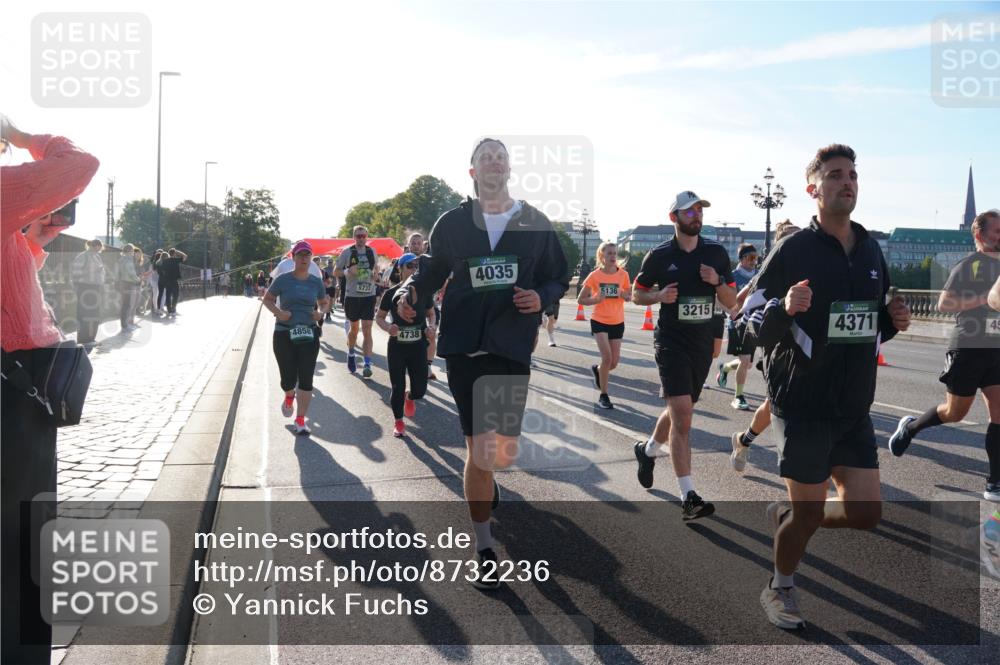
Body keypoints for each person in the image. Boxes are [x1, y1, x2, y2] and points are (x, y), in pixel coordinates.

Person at [746, 144, 910, 629]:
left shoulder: (871, 248)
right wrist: (784, 308)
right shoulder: (793, 249)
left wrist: (893, 319)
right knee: (810, 514)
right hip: (804, 404)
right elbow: (746, 322)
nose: (848, 183)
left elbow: (866, 325)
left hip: (853, 403)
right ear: (813, 189)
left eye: (853, 175)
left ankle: (790, 514)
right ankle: (779, 587)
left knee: (866, 513)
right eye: (836, 175)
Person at [394, 137, 568, 588]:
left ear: (509, 170)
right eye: (485, 157)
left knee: (502, 451)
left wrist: (542, 297)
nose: (494, 162)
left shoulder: (535, 222)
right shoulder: (452, 223)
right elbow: (430, 272)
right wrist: (405, 295)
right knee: (481, 450)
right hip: (466, 345)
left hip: (512, 344)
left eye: (500, 157)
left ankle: (487, 488)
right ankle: (484, 547)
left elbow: (557, 275)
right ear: (472, 172)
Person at [1, 116, 99, 665]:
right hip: (14, 388)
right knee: (23, 529)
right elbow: (79, 166)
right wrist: (21, 135)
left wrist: (31, 244)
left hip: (15, 379)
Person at [631, 190, 736, 520]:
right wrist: (660, 294)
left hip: (702, 341)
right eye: (689, 212)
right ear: (674, 217)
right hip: (672, 341)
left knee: (682, 410)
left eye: (699, 211)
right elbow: (637, 293)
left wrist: (717, 280)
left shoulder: (716, 253)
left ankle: (647, 450)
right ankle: (688, 494)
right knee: (683, 414)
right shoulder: (659, 256)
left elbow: (731, 300)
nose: (696, 216)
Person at [889, 209, 1000, 502]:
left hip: (996, 350)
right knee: (955, 412)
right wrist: (985, 299)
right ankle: (910, 427)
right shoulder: (970, 265)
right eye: (997, 232)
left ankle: (995, 482)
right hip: (968, 346)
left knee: (999, 413)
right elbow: (945, 303)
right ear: (979, 235)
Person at [729, 221, 800, 473]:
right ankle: (744, 440)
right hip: (777, 343)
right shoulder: (769, 272)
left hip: (805, 346)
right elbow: (740, 301)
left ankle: (745, 440)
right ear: (780, 245)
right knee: (775, 404)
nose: (799, 242)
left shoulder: (809, 267)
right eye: (792, 238)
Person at [262, 241, 329, 435]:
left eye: (307, 255)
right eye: (300, 255)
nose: (304, 258)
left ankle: (300, 420)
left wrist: (320, 313)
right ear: (293, 258)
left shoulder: (316, 281)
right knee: (287, 378)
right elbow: (267, 299)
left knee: (306, 378)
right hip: (284, 333)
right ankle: (289, 394)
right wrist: (279, 313)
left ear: (311, 258)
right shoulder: (283, 279)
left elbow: (324, 303)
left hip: (308, 332)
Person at [377, 254, 433, 437]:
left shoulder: (424, 291)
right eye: (410, 265)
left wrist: (431, 327)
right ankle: (399, 422)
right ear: (400, 269)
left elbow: (431, 314)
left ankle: (410, 397)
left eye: (417, 265)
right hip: (397, 347)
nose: (414, 269)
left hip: (418, 346)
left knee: (420, 390)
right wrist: (388, 327)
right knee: (397, 386)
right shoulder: (391, 293)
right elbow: (379, 317)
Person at [578, 242, 632, 409]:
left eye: (615, 253)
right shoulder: (594, 276)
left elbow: (630, 296)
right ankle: (604, 395)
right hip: (599, 320)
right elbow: (581, 299)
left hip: (617, 321)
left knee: (613, 363)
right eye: (609, 253)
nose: (613, 256)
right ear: (602, 256)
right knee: (607, 358)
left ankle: (598, 370)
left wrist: (623, 294)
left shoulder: (623, 275)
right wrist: (595, 299)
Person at [717, 243, 759, 410]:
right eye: (750, 258)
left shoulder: (759, 274)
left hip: (754, 322)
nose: (754, 261)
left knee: (747, 363)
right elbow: (718, 299)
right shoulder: (732, 276)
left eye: (756, 258)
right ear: (741, 259)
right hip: (738, 323)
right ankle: (738, 396)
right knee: (745, 360)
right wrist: (731, 312)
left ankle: (725, 368)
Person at [334, 225, 379, 378]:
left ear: (367, 237)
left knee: (367, 329)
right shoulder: (347, 252)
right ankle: (351, 352)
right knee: (354, 329)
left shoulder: (371, 251)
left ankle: (367, 363)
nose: (361, 238)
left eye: (363, 236)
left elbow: (376, 268)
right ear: (354, 237)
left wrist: (376, 274)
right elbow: (336, 271)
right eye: (358, 236)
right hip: (352, 296)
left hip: (369, 296)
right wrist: (347, 271)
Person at [70, 239, 106, 345]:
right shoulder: (83, 256)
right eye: (97, 246)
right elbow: (75, 273)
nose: (99, 249)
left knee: (95, 313)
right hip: (85, 286)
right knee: (84, 313)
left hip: (96, 287)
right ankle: (83, 339)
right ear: (92, 246)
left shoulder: (97, 256)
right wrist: (92, 271)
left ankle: (91, 338)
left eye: (100, 247)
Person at [117, 243, 141, 331]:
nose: (133, 253)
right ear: (131, 251)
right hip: (128, 283)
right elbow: (131, 272)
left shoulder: (121, 259)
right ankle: (125, 325)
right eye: (133, 251)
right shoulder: (128, 259)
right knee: (127, 305)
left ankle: (124, 324)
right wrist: (138, 279)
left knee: (124, 304)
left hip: (122, 282)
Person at [157, 248, 186, 315]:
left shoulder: (164, 261)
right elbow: (185, 256)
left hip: (167, 281)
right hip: (174, 280)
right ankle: (173, 308)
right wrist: (178, 251)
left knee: (168, 295)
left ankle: (169, 310)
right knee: (175, 295)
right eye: (176, 254)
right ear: (174, 254)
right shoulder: (175, 260)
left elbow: (161, 271)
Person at [147, 249, 162, 313]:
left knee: (155, 295)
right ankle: (158, 308)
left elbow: (150, 272)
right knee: (158, 295)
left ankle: (156, 308)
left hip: (153, 280)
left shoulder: (152, 263)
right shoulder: (160, 263)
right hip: (158, 280)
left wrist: (148, 281)